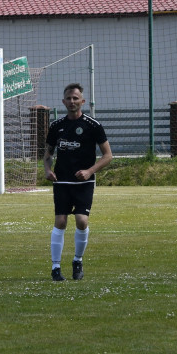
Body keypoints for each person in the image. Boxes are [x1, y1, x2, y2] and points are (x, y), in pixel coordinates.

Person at [43, 82, 113, 281]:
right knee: (60, 221)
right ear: (63, 101)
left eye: (76, 98)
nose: (72, 101)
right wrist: (47, 170)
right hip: (62, 181)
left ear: (82, 101)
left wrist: (89, 171)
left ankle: (77, 260)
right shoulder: (56, 126)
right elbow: (48, 154)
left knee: (82, 221)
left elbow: (108, 155)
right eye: (69, 98)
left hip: (84, 183)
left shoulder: (93, 125)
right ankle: (56, 268)